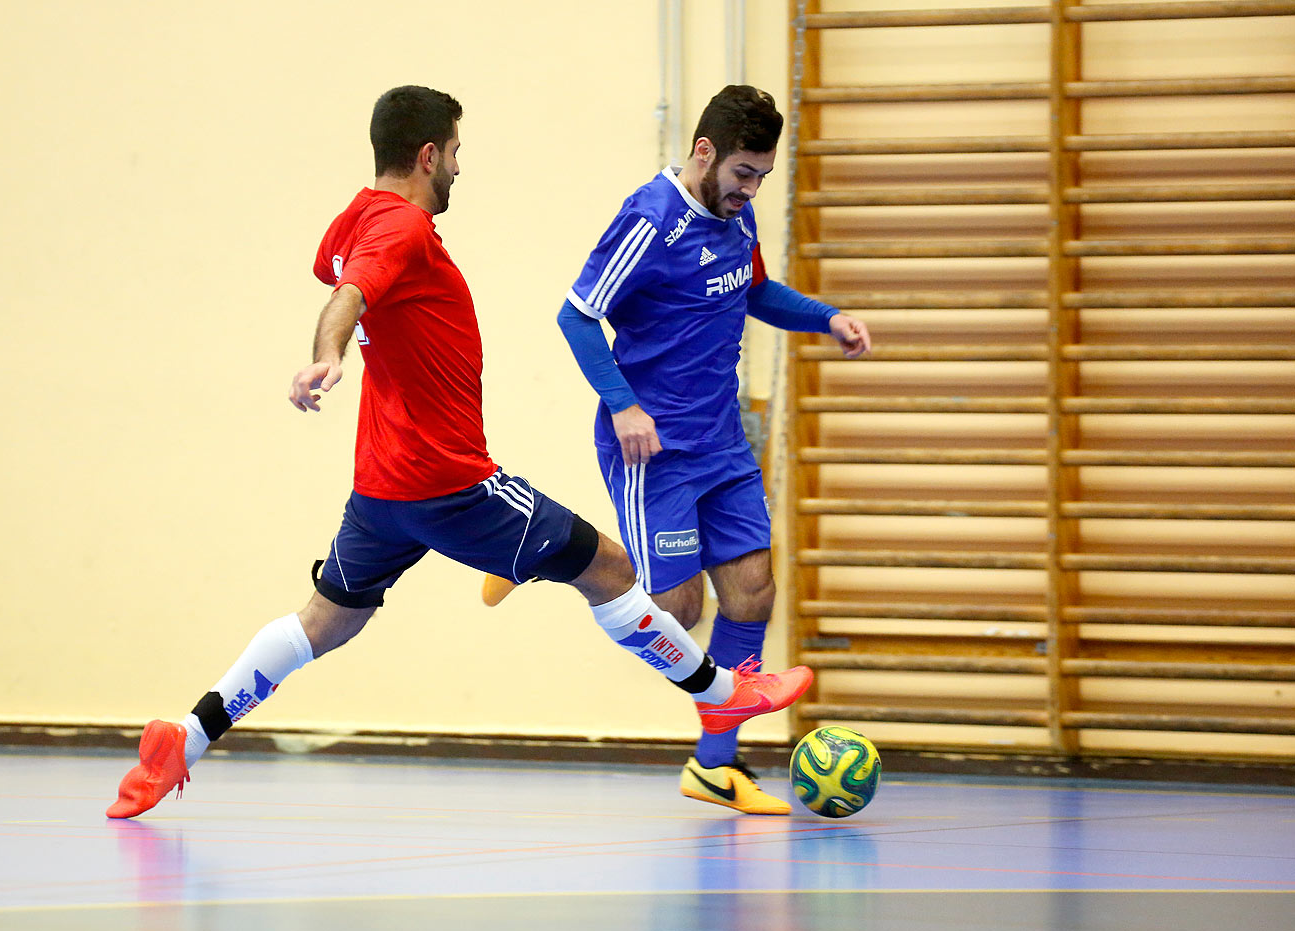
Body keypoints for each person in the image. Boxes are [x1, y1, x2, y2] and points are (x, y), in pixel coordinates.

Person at [106, 85, 816, 820]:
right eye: (454, 154)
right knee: (609, 568)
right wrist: (327, 354)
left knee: (323, 624)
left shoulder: (357, 218)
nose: (457, 169)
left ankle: (186, 737)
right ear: (427, 156)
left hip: (380, 490)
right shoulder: (403, 230)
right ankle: (727, 694)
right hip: (449, 483)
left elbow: (338, 267)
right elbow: (350, 290)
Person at [555, 85, 870, 815]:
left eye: (761, 175)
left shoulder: (739, 216)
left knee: (753, 588)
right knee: (678, 611)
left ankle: (714, 764)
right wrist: (624, 403)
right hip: (652, 450)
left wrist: (828, 319)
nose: (751, 188)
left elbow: (754, 293)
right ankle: (561, 558)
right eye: (743, 173)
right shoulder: (650, 219)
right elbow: (576, 317)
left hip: (721, 442)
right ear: (705, 152)